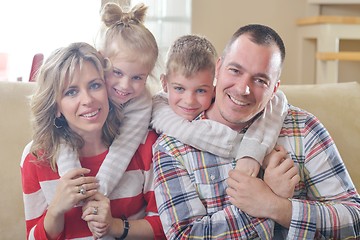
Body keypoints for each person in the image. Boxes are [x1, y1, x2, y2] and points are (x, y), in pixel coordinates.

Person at [152, 24, 360, 239]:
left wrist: (277, 207)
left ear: (275, 88)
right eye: (235, 71)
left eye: (260, 80)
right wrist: (263, 202)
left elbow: (354, 218)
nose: (243, 89)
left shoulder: (303, 129)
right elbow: (184, 236)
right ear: (219, 68)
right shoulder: (172, 148)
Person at [21, 42, 164, 239]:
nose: (88, 100)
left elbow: (165, 227)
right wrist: (55, 211)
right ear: (56, 107)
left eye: (95, 85)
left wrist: (114, 225)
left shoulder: (146, 145)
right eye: (71, 91)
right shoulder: (35, 156)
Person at [56, 2, 159, 198]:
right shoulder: (87, 92)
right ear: (102, 62)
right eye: (117, 72)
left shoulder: (141, 102)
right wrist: (75, 186)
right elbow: (63, 133)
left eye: (137, 77)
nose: (125, 85)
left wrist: (97, 194)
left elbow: (123, 148)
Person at [151, 34, 289, 178]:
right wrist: (254, 153)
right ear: (164, 83)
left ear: (214, 86)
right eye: (179, 88)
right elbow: (188, 132)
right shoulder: (159, 111)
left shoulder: (225, 99)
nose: (189, 101)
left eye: (200, 91)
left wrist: (253, 151)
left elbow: (278, 99)